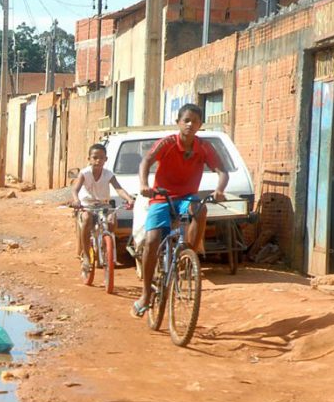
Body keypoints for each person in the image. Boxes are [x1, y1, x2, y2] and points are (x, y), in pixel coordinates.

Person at [131, 103, 228, 317]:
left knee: (200, 210)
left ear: (200, 125)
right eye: (186, 120)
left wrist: (220, 189)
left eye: (195, 121)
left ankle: (189, 254)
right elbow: (146, 161)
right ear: (178, 122)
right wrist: (144, 184)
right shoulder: (167, 143)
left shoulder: (204, 147)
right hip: (161, 196)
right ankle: (146, 293)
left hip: (187, 197)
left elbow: (222, 172)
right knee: (152, 240)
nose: (190, 124)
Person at [70, 143, 135, 274]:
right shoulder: (84, 173)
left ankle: (107, 249)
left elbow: (118, 188)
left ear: (106, 159)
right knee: (87, 219)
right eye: (94, 157)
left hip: (103, 204)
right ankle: (87, 257)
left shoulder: (108, 174)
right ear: (89, 159)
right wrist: (76, 200)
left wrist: (128, 198)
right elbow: (75, 189)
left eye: (101, 157)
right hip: (87, 205)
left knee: (111, 220)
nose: (98, 160)